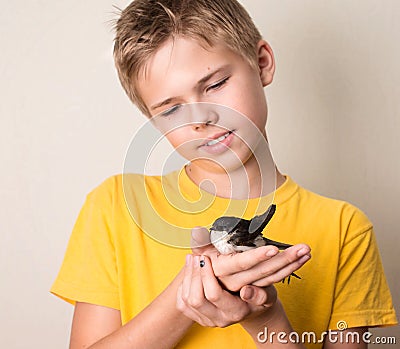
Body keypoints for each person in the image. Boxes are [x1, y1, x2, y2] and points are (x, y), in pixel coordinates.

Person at [51, 1, 397, 348]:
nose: (200, 118)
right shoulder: (115, 207)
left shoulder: (345, 228)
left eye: (215, 84)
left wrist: (266, 319)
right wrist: (185, 297)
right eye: (171, 109)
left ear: (262, 63)